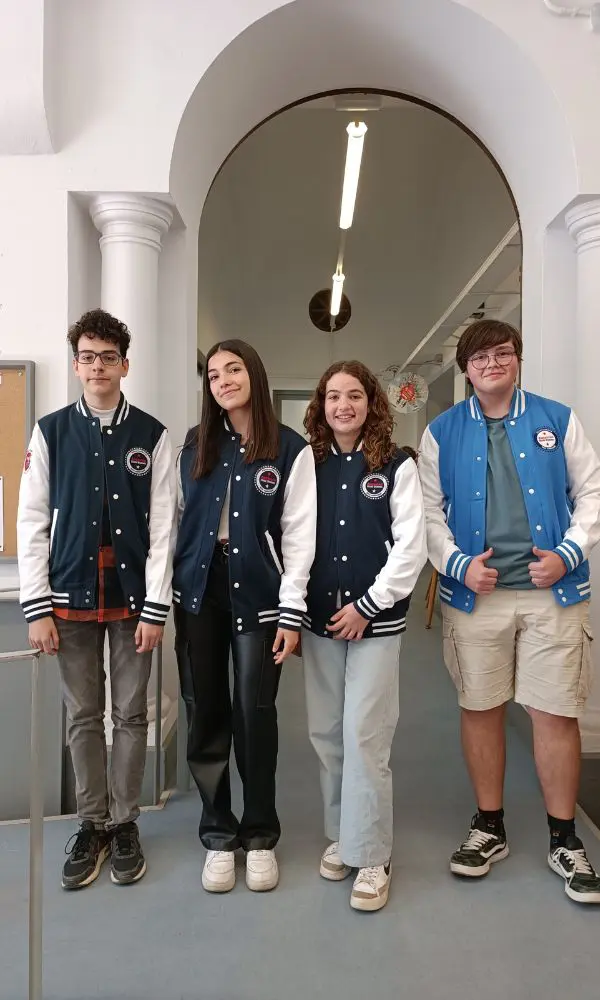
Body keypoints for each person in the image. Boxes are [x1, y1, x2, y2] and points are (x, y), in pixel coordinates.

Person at [418, 318, 600, 904]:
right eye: (480, 358)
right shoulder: (441, 432)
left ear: (517, 359)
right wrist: (457, 565)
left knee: (554, 714)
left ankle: (565, 840)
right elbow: (427, 514)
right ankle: (488, 826)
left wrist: (569, 553)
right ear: (466, 370)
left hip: (553, 594)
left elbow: (591, 492)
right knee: (481, 707)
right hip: (478, 598)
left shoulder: (557, 419)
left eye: (503, 354)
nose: (492, 364)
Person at [17, 309, 177, 889]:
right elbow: (31, 519)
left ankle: (125, 821)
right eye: (87, 356)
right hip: (68, 600)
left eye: (107, 356)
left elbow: (164, 527)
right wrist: (36, 606)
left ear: (124, 364)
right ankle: (92, 824)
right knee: (83, 715)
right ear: (77, 363)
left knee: (131, 715)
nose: (97, 366)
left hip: (133, 602)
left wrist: (156, 607)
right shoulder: (51, 431)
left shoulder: (152, 436)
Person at [173, 339, 316, 894]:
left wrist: (291, 609)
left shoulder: (289, 449)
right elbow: (174, 520)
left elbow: (301, 535)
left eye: (234, 369)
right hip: (199, 590)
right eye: (213, 374)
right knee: (205, 710)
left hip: (260, 592)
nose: (224, 380)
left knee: (255, 713)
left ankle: (259, 835)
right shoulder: (194, 447)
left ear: (255, 373)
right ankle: (217, 833)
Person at [301, 361, 427, 911]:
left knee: (365, 734)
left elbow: (410, 546)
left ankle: (373, 853)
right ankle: (342, 836)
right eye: (333, 396)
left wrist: (367, 607)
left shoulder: (398, 465)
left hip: (376, 623)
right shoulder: (309, 462)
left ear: (372, 402)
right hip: (319, 620)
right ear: (321, 405)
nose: (343, 406)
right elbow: (292, 533)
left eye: (354, 395)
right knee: (327, 733)